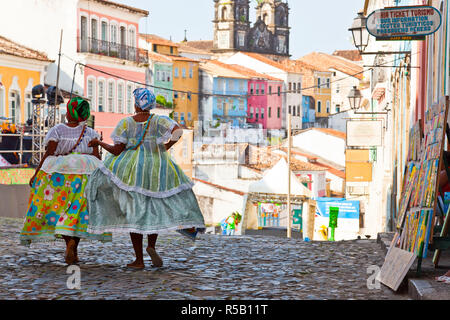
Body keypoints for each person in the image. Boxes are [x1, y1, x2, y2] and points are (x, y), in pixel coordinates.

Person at [85, 88, 205, 269]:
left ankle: (139, 259)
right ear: (150, 105)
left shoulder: (126, 123)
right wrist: (167, 145)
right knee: (152, 206)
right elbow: (178, 131)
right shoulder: (158, 120)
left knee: (134, 212)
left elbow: (117, 150)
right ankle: (151, 246)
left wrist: (99, 143)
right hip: (157, 166)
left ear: (135, 104)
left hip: (131, 169)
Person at [20, 97, 112, 264]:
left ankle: (69, 243)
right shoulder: (91, 132)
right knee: (78, 213)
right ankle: (73, 247)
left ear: (70, 112)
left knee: (59, 210)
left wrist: (37, 172)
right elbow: (96, 157)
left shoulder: (58, 130)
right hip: (85, 173)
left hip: (58, 175)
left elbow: (50, 152)